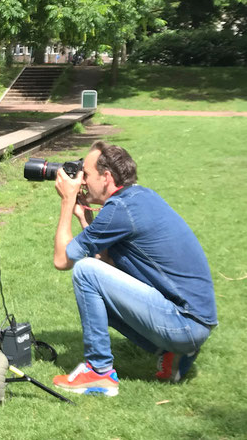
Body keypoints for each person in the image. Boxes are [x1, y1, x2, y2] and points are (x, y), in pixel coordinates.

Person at [51, 141, 216, 396]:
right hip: (194, 321)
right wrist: (84, 217)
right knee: (96, 275)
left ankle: (99, 372)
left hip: (185, 323)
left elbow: (62, 260)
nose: (81, 180)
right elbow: (107, 263)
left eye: (86, 173)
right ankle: (176, 352)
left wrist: (66, 201)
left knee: (84, 270)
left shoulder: (121, 209)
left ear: (106, 177)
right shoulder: (138, 198)